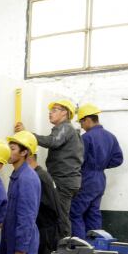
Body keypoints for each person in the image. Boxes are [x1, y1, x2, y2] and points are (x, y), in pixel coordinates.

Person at [16, 131, 66, 254]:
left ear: (27, 154)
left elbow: (46, 211)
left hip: (48, 234)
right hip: (43, 230)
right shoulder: (37, 176)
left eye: (13, 149)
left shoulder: (39, 178)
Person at [15, 99, 83, 237]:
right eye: (50, 111)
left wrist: (28, 135)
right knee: (61, 215)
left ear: (65, 113)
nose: (50, 113)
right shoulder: (70, 131)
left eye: (54, 110)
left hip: (63, 180)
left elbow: (53, 141)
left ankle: (64, 252)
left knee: (61, 217)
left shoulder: (65, 128)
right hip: (67, 180)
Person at [70, 103, 124, 239]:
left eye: (81, 122)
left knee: (75, 213)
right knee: (93, 213)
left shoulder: (86, 138)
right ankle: (97, 247)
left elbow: (78, 160)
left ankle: (81, 248)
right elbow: (118, 159)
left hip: (87, 179)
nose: (81, 126)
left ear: (87, 119)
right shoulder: (111, 136)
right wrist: (102, 165)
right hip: (100, 179)